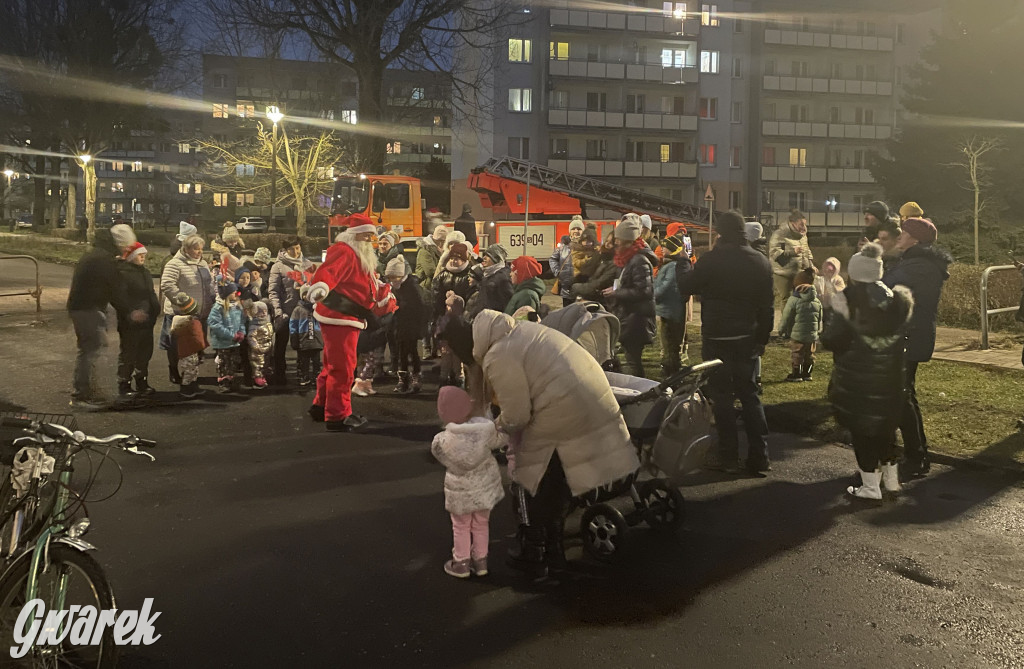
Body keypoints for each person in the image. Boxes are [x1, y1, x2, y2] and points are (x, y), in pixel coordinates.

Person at [441, 310, 639, 576]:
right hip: (590, 399)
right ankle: (554, 551)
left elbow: (517, 414)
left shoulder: (498, 354)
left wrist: (493, 432)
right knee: (555, 483)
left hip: (562, 410)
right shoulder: (515, 332)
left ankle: (533, 552)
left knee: (529, 480)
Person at [677, 210, 774, 475]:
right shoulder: (760, 262)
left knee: (722, 397)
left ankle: (728, 456)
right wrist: (762, 339)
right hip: (747, 338)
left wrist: (683, 262)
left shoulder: (711, 260)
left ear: (721, 232)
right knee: (750, 395)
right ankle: (759, 456)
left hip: (717, 337)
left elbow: (686, 286)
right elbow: (767, 306)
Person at [822, 242, 914, 500]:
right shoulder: (897, 301)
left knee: (863, 432)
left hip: (858, 380)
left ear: (855, 273)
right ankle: (892, 482)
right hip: (891, 379)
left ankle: (870, 487)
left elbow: (833, 339)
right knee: (886, 427)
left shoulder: (845, 300)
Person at [307, 216, 392, 432]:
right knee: (343, 368)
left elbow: (363, 283)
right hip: (341, 316)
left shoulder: (357, 253)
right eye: (366, 234)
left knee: (332, 364)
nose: (369, 238)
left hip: (346, 316)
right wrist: (321, 286)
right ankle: (338, 415)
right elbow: (328, 273)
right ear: (355, 233)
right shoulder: (345, 250)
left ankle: (322, 405)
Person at [882, 217, 951, 477]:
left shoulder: (916, 266)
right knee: (904, 394)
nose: (899, 236)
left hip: (908, 337)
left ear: (916, 239)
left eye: (904, 233)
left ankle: (915, 457)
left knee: (901, 396)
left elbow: (883, 287)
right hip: (910, 335)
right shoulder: (916, 263)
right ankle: (916, 454)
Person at [431, 385, 505, 578]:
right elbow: (501, 440)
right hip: (483, 489)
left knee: (461, 526)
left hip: (459, 492)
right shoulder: (486, 431)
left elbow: (439, 455)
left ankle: (461, 562)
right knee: (482, 523)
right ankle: (481, 562)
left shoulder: (442, 441)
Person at [66, 224, 138, 409]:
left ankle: (87, 391)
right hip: (88, 309)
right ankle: (82, 394)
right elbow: (116, 290)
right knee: (91, 350)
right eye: (126, 246)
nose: (127, 250)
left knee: (91, 349)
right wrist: (130, 311)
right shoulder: (104, 260)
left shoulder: (97, 255)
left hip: (83, 307)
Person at [603, 214, 656, 378]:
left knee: (632, 361)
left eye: (618, 242)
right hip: (630, 317)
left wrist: (616, 293)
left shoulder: (639, 261)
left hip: (637, 320)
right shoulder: (627, 260)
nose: (615, 246)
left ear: (628, 242)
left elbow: (644, 291)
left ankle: (640, 392)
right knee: (629, 358)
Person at [160, 234, 215, 385]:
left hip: (200, 313)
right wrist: (183, 301)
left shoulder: (202, 264)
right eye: (196, 249)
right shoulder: (175, 264)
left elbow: (208, 286)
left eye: (201, 249)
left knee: (194, 347)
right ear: (186, 248)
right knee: (176, 345)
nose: (199, 252)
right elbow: (167, 285)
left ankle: (190, 376)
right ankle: (174, 369)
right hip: (180, 313)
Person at [114, 242, 159, 399]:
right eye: (140, 255)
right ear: (132, 256)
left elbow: (150, 293)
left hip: (147, 321)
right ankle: (124, 384)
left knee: (144, 353)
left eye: (144, 255)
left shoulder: (144, 272)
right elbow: (120, 298)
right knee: (129, 354)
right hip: (130, 323)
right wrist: (131, 313)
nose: (143, 258)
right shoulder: (122, 273)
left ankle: (142, 382)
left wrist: (154, 310)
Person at [268, 236, 314, 385]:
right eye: (292, 249)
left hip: (303, 311)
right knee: (281, 344)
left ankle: (303, 374)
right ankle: (279, 373)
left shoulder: (307, 264)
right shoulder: (279, 266)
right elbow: (273, 291)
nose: (295, 251)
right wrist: (278, 310)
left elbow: (314, 285)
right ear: (285, 250)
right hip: (286, 311)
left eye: (298, 248)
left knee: (303, 345)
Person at [385, 257, 427, 393]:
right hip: (398, 325)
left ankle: (416, 376)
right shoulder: (394, 287)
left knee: (412, 351)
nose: (392, 281)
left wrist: (401, 306)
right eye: (390, 278)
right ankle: (403, 379)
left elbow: (421, 307)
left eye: (394, 277)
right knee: (401, 352)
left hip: (411, 324)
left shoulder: (412, 286)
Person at [654, 232, 692, 378]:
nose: (662, 249)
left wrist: (652, 294)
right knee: (669, 343)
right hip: (668, 309)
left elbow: (664, 287)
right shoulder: (669, 264)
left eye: (665, 247)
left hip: (670, 310)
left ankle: (671, 373)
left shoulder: (672, 266)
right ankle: (671, 370)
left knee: (670, 343)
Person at [779, 267, 823, 382]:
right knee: (809, 354)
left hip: (797, 334)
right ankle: (807, 373)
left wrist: (781, 329)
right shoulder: (816, 301)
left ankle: (796, 374)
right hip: (812, 334)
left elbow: (786, 317)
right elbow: (820, 317)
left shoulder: (794, 299)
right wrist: (817, 330)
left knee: (797, 353)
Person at [768, 209, 814, 307]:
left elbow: (806, 250)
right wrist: (792, 252)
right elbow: (774, 253)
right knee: (787, 300)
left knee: (801, 299)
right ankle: (787, 321)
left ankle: (797, 321)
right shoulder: (780, 234)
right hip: (783, 273)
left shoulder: (802, 235)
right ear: (792, 223)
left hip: (800, 273)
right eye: (801, 224)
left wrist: (811, 264)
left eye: (805, 224)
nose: (804, 227)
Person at [208, 282, 246, 392]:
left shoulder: (237, 306)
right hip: (223, 342)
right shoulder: (218, 307)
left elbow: (241, 322)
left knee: (233, 361)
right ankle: (224, 381)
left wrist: (241, 332)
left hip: (234, 341)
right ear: (227, 293)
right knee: (224, 362)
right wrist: (231, 335)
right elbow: (215, 324)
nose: (237, 294)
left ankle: (230, 378)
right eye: (234, 292)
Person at [169, 295, 207, 399]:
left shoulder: (187, 322)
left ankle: (193, 385)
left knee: (193, 370)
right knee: (189, 370)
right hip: (188, 351)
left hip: (191, 350)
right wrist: (202, 347)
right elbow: (197, 337)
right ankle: (186, 388)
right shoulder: (189, 323)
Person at [289, 284, 323, 387]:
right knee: (304, 360)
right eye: (305, 294)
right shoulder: (298, 309)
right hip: (303, 340)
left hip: (316, 340)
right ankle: (304, 375)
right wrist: (294, 337)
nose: (307, 296)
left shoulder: (318, 308)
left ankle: (317, 376)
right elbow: (293, 324)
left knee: (317, 360)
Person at [571, 232, 618, 306]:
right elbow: (587, 270)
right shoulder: (600, 255)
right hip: (591, 297)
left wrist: (576, 287)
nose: (607, 244)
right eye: (607, 241)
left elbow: (600, 283)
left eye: (611, 243)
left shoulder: (614, 262)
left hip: (602, 302)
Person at [468, 244, 513, 319]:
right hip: (485, 320)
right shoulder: (488, 274)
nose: (484, 258)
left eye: (488, 256)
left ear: (496, 258)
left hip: (493, 322)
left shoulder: (503, 278)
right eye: (484, 255)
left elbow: (507, 304)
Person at [433, 242, 475, 321]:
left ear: (463, 260)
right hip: (444, 316)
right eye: (451, 258)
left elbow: (471, 298)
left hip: (462, 317)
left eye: (456, 259)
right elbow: (436, 296)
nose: (453, 261)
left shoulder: (470, 275)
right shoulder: (443, 274)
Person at [246, 301, 274, 389]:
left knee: (265, 364)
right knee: (258, 365)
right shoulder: (254, 325)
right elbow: (250, 337)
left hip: (267, 347)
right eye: (261, 312)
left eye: (265, 311)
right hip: (257, 350)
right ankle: (257, 379)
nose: (264, 314)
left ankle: (263, 377)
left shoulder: (267, 323)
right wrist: (255, 346)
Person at [817, 257, 846, 330]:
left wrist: (833, 287)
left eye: (830, 271)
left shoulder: (838, 279)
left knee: (830, 318)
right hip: (823, 302)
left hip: (832, 303)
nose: (828, 272)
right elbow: (818, 287)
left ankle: (829, 331)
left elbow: (841, 288)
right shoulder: (821, 278)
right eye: (826, 270)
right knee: (823, 317)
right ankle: (822, 330)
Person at [416, 225, 448, 290]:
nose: (443, 244)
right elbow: (430, 272)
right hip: (427, 286)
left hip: (435, 284)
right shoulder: (425, 250)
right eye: (442, 241)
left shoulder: (439, 249)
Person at [549, 235, 575, 307]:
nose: (576, 230)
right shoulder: (562, 247)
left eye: (578, 229)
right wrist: (557, 272)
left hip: (582, 290)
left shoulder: (586, 246)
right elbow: (552, 259)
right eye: (573, 229)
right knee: (567, 313)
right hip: (566, 289)